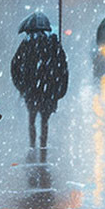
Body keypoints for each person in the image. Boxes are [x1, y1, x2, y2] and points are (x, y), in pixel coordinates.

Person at [11, 11, 69, 148]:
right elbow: (63, 68)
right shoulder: (53, 43)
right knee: (44, 119)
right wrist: (60, 89)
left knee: (31, 118)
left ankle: (33, 144)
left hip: (31, 89)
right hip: (48, 89)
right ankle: (43, 144)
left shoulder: (26, 44)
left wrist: (22, 86)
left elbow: (15, 66)